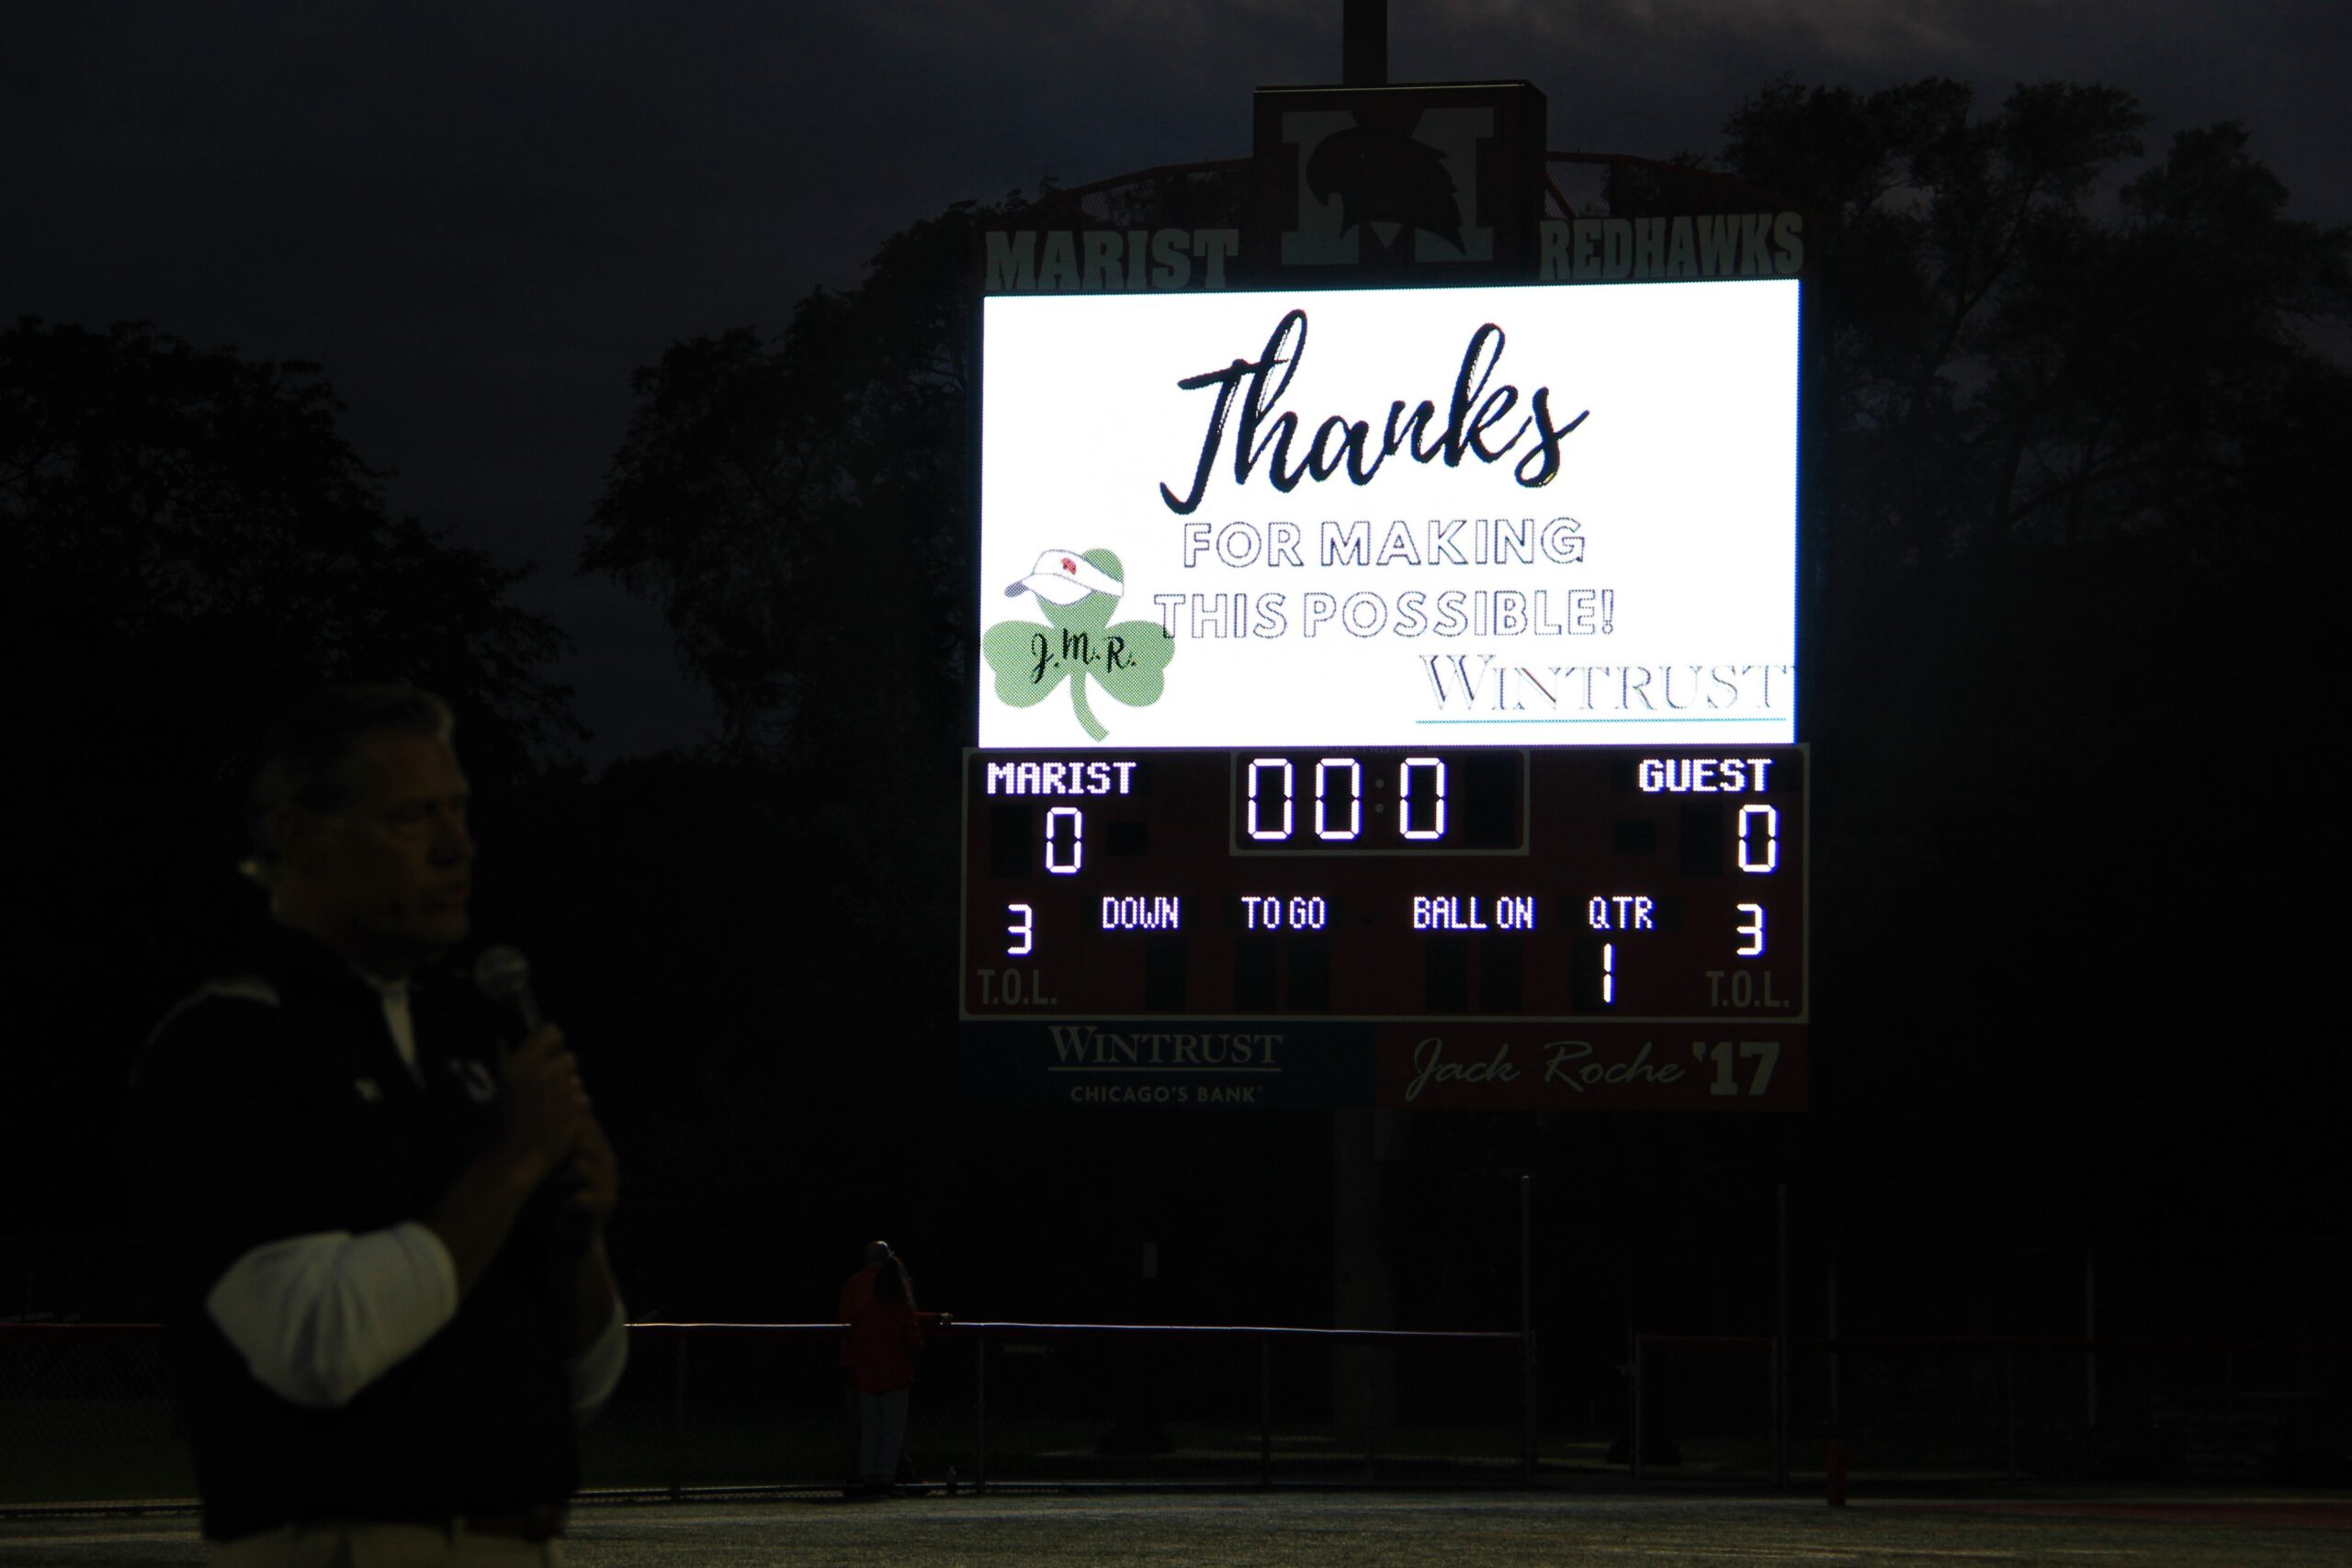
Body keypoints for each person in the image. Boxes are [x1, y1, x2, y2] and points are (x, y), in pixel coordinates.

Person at [125, 685, 627, 1564]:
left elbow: (582, 1382)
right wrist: (512, 1164)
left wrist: (577, 1238)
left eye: (460, 811)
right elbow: (315, 1342)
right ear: (298, 835)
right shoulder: (230, 1040)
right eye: (411, 816)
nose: (455, 846)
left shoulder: (467, 1045)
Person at [846, 1253, 923, 1496]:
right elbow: (913, 1342)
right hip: (895, 1377)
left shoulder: (865, 1307)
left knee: (870, 1430)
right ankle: (885, 1477)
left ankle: (866, 1476)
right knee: (892, 1430)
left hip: (867, 1377)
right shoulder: (902, 1307)